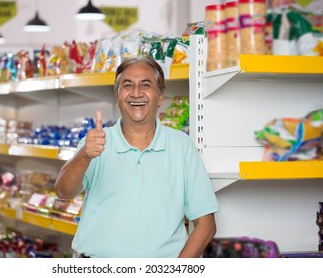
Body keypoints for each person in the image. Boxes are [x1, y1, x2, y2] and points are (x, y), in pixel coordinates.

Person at [55, 56, 219, 258]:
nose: (136, 93)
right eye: (127, 85)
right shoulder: (95, 142)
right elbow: (63, 192)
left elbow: (206, 224)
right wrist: (84, 155)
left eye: (146, 85)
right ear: (118, 95)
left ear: (160, 96)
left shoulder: (181, 146)